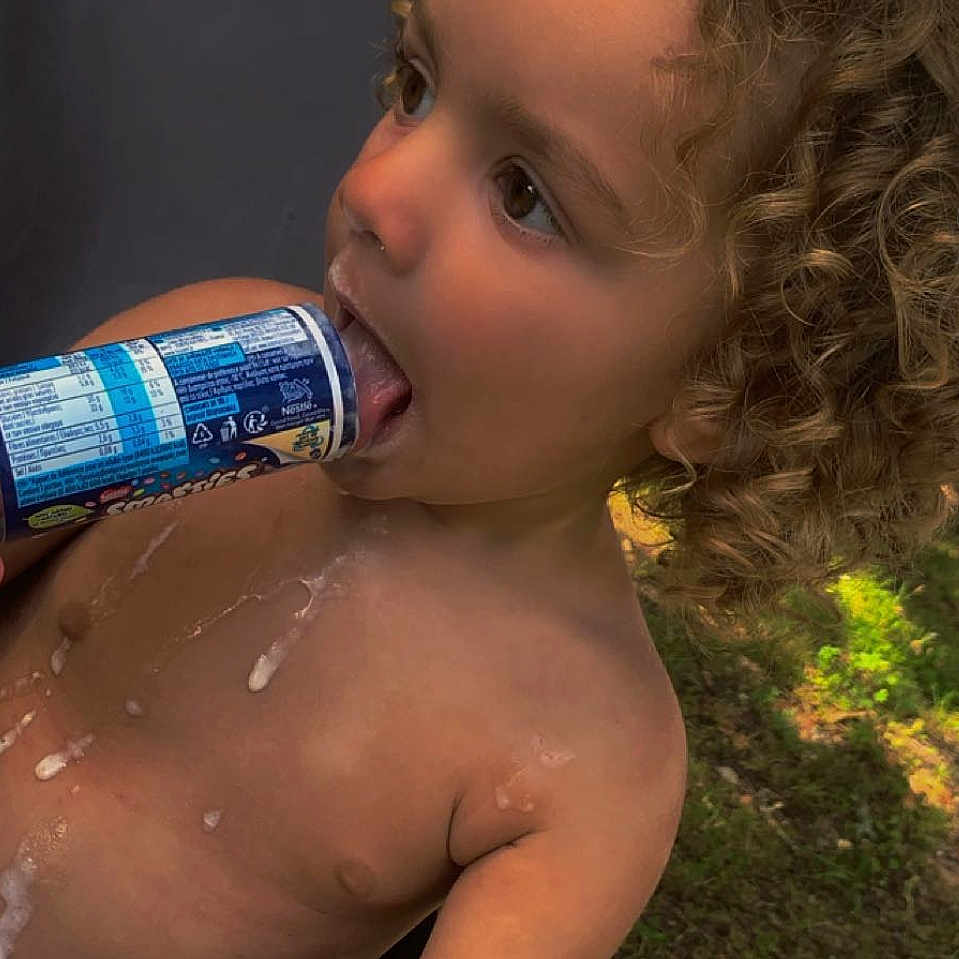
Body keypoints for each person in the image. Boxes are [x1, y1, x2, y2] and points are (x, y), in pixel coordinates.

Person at [1, 0, 956, 956]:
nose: (375, 189)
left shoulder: (585, 759)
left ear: (727, 385)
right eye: (416, 88)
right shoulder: (195, 370)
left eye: (524, 197)